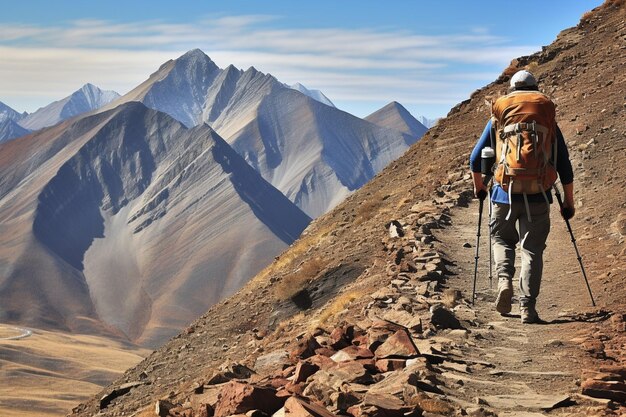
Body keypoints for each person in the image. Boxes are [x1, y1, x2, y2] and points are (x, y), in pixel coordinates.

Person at [469, 70, 575, 324]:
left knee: (502, 240)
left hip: (504, 193)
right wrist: (568, 202)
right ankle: (528, 308)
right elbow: (564, 166)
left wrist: (480, 187)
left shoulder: (498, 121)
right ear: (535, 89)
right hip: (538, 194)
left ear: (511, 91)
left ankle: (504, 280)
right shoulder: (547, 122)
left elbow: (475, 159)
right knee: (532, 251)